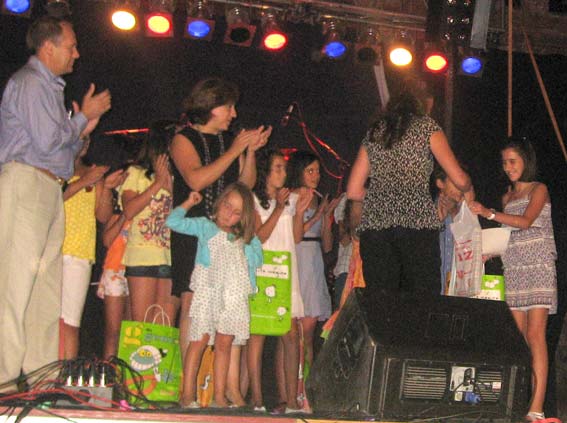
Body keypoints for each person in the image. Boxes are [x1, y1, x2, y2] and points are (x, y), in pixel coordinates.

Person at [0, 16, 111, 389]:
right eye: (71, 45)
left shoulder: (49, 89)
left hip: (48, 188)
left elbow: (61, 154)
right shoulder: (30, 83)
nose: (76, 53)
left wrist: (82, 130)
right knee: (13, 287)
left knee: (46, 292)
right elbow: (47, 143)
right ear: (48, 47)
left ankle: (39, 378)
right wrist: (83, 117)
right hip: (25, 183)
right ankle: (2, 381)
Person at [169, 77, 270, 402]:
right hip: (196, 230)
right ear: (212, 106)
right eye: (229, 107)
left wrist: (249, 152)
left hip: (229, 237)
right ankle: (189, 387)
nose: (233, 114)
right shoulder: (182, 139)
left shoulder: (230, 140)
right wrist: (235, 149)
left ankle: (223, 389)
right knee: (192, 305)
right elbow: (196, 178)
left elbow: (245, 185)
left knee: (228, 311)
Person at [346, 77, 472, 294]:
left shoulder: (376, 131)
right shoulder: (427, 127)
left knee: (383, 305)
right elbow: (459, 179)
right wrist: (468, 184)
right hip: (417, 227)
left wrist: (383, 193)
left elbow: (353, 190)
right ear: (423, 103)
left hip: (376, 230)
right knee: (420, 304)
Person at [469, 137, 557, 422]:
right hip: (515, 268)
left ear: (525, 161)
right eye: (504, 162)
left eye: (513, 161)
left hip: (539, 266)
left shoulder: (538, 189)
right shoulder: (507, 197)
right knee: (517, 339)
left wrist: (489, 213)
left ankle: (537, 405)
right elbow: (508, 234)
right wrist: (488, 252)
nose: (508, 167)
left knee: (535, 335)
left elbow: (527, 222)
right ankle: (517, 400)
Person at [166, 183, 263, 409]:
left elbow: (257, 259)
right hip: (209, 292)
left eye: (237, 212)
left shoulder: (242, 239)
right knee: (198, 340)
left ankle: (220, 396)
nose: (230, 214)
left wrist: (251, 237)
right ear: (219, 203)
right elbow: (173, 222)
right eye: (228, 206)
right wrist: (189, 202)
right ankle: (187, 394)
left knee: (224, 345)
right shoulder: (205, 227)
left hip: (232, 297)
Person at [247, 149, 312, 413]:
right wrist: (280, 208)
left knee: (290, 334)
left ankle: (291, 398)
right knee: (258, 334)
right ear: (265, 171)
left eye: (284, 169)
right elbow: (258, 237)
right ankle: (258, 398)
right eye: (277, 168)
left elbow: (296, 238)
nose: (283, 173)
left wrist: (298, 212)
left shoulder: (290, 200)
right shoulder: (253, 199)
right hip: (263, 269)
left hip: (285, 271)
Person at [60, 138, 126, 359]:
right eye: (77, 138)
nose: (82, 144)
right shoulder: (54, 168)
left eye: (86, 140)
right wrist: (83, 181)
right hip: (49, 252)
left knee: (69, 321)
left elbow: (103, 215)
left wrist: (106, 188)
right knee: (42, 319)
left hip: (78, 254)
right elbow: (53, 198)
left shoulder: (94, 173)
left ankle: (63, 376)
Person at [286, 150, 338, 405]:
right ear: (299, 172)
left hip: (314, 260)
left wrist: (326, 218)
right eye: (310, 171)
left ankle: (306, 390)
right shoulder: (293, 197)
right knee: (292, 334)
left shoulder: (317, 198)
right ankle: (292, 391)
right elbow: (294, 236)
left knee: (308, 334)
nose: (316, 176)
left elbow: (328, 246)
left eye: (318, 171)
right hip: (297, 260)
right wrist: (316, 216)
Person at [120, 120, 175, 323]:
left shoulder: (176, 176)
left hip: (168, 256)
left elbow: (184, 212)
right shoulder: (136, 173)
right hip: (142, 257)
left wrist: (168, 184)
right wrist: (158, 183)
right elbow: (129, 210)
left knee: (162, 327)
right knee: (141, 324)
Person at [432, 164, 467, 294]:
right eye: (454, 181)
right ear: (440, 183)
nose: (460, 185)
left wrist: (454, 215)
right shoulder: (426, 211)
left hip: (459, 290)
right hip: (433, 288)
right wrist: (437, 222)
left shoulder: (467, 212)